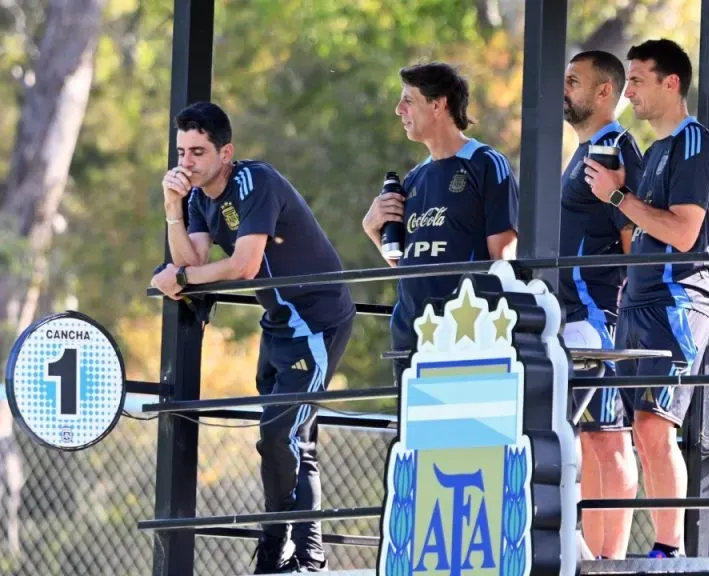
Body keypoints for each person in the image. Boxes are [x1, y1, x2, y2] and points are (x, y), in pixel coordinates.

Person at [150, 101, 356, 573]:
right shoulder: (198, 196)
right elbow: (196, 261)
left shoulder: (254, 182)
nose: (187, 162)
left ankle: (279, 546)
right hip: (279, 322)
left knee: (278, 436)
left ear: (226, 152)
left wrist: (179, 275)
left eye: (198, 152)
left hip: (317, 320)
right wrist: (172, 211)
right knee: (289, 440)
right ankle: (305, 554)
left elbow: (241, 265)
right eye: (182, 152)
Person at [585, 39, 709, 558]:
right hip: (637, 302)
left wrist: (617, 196)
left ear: (671, 83)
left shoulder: (693, 143)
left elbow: (684, 233)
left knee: (654, 427)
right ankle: (612, 553)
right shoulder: (656, 149)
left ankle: (669, 549)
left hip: (675, 300)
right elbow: (643, 222)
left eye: (639, 79)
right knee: (631, 432)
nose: (631, 91)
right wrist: (623, 192)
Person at [362, 62, 519, 379]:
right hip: (411, 329)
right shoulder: (415, 177)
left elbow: (502, 259)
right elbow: (409, 262)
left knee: (463, 427)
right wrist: (372, 229)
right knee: (412, 428)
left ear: (438, 104)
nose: (398, 110)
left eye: (408, 100)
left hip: (463, 329)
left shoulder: (486, 163)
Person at [560, 49, 644, 560]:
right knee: (587, 437)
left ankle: (610, 562)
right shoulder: (581, 149)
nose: (564, 89)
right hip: (568, 316)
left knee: (609, 437)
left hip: (601, 315)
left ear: (604, 92)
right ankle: (587, 555)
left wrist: (627, 313)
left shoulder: (614, 146)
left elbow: (635, 236)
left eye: (573, 81)